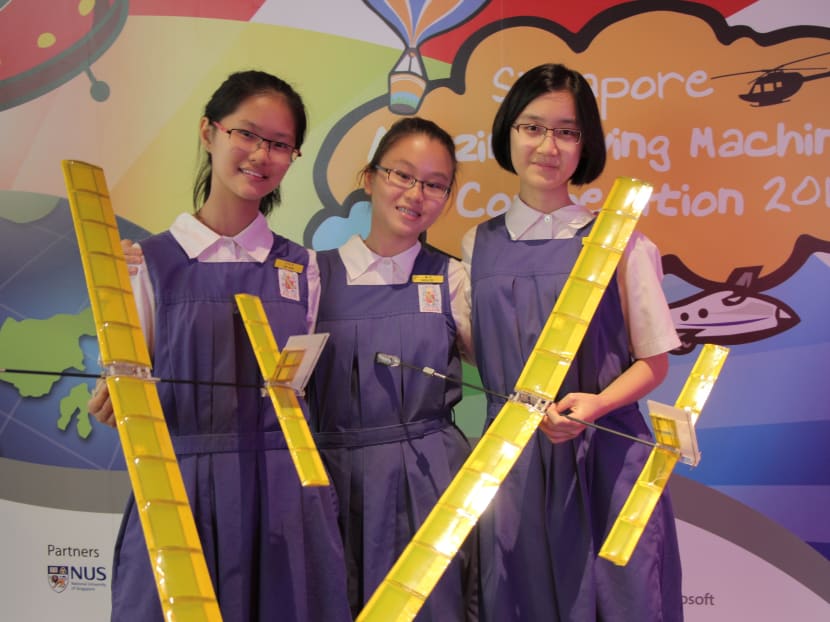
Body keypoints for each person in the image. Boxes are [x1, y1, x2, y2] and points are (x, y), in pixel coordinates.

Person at [87, 70, 351, 622]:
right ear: (209, 132)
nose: (261, 154)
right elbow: (126, 380)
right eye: (247, 134)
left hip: (282, 495)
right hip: (181, 489)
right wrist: (116, 398)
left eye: (279, 144)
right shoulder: (146, 263)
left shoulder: (303, 267)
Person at [462, 63, 683, 621]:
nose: (547, 146)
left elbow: (654, 364)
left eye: (567, 131)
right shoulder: (475, 245)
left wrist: (599, 405)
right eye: (532, 127)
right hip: (513, 467)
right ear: (508, 131)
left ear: (586, 145)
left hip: (605, 459)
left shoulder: (622, 241)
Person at [307, 117, 478, 621]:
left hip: (430, 482)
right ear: (370, 178)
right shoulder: (312, 275)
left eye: (434, 184)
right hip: (332, 482)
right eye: (401, 175)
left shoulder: (455, 279)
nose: (415, 194)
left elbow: (510, 369)